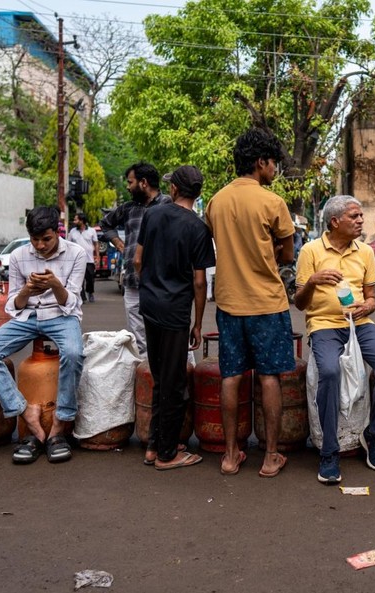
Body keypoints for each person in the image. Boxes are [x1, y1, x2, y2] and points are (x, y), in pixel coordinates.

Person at [206, 128, 294, 478]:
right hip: (267, 304)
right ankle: (270, 456)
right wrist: (268, 248)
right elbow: (287, 255)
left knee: (231, 377)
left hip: (229, 302)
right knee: (269, 377)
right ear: (261, 162)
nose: (274, 170)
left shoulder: (216, 200)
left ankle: (230, 455)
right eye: (273, 163)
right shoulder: (272, 202)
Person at [295, 195, 375, 485]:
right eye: (354, 216)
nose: (360, 220)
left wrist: (367, 306)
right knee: (329, 371)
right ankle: (329, 451)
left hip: (360, 323)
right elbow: (300, 302)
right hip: (324, 325)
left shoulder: (365, 251)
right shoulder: (310, 251)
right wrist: (313, 281)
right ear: (334, 221)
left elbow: (371, 298)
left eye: (360, 216)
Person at [0, 206, 85, 464]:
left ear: (57, 233)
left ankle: (60, 424)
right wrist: (27, 290)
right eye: (35, 239)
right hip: (28, 317)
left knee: (73, 352)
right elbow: (13, 305)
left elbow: (71, 304)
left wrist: (56, 285)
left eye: (46, 239)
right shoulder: (17, 256)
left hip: (61, 316)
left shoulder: (76, 253)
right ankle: (26, 413)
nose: (40, 245)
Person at [135, 166, 214, 471]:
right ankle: (168, 453)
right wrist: (197, 322)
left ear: (175, 190)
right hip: (176, 312)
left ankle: (156, 446)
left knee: (160, 378)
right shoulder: (198, 228)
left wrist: (151, 284)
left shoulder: (153, 215)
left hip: (150, 306)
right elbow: (199, 282)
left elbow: (138, 260)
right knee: (175, 382)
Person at [99, 162, 170, 357]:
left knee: (166, 333)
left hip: (161, 282)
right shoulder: (128, 208)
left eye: (130, 182)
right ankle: (147, 379)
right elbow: (105, 224)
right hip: (132, 282)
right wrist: (119, 243)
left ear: (143, 183)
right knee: (140, 338)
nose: (128, 187)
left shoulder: (168, 205)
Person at [68, 212, 98, 303]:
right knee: (79, 279)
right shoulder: (72, 231)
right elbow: (68, 244)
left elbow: (96, 244)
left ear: (82, 221)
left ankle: (90, 292)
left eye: (76, 219)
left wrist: (97, 256)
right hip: (76, 259)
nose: (74, 221)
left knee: (90, 278)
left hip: (89, 259)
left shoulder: (92, 231)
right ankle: (82, 297)